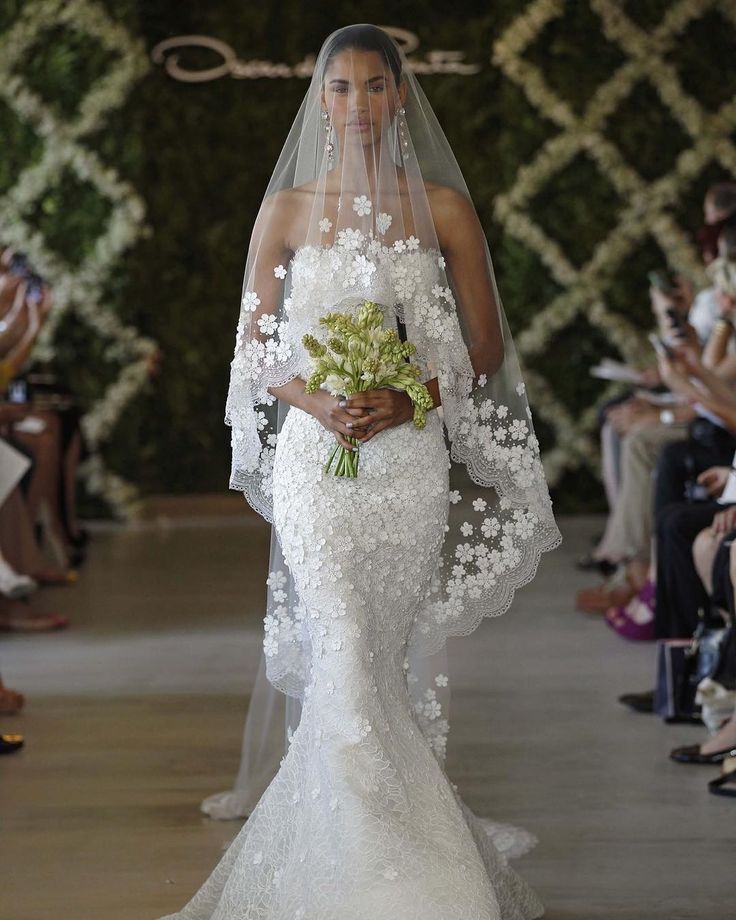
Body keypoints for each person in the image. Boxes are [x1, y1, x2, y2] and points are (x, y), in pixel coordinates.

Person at [159, 25, 559, 920]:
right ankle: (383, 884)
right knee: (340, 645)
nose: (358, 105)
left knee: (376, 661)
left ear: (401, 96)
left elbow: (484, 346)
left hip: (406, 462)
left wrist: (410, 396)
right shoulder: (289, 211)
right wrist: (320, 402)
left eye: (375, 87)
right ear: (320, 102)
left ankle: (387, 861)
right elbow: (256, 352)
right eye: (340, 89)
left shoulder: (445, 209)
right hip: (317, 460)